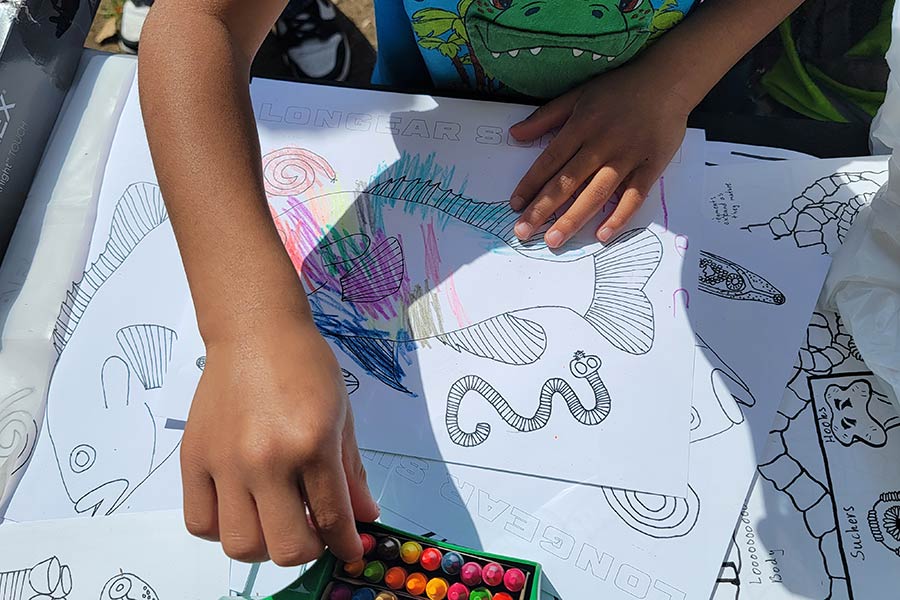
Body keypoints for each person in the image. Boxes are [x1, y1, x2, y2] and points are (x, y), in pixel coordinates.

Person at [138, 0, 806, 568]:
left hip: (689, 117)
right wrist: (250, 326)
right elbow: (201, 20)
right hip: (431, 102)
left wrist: (673, 79)